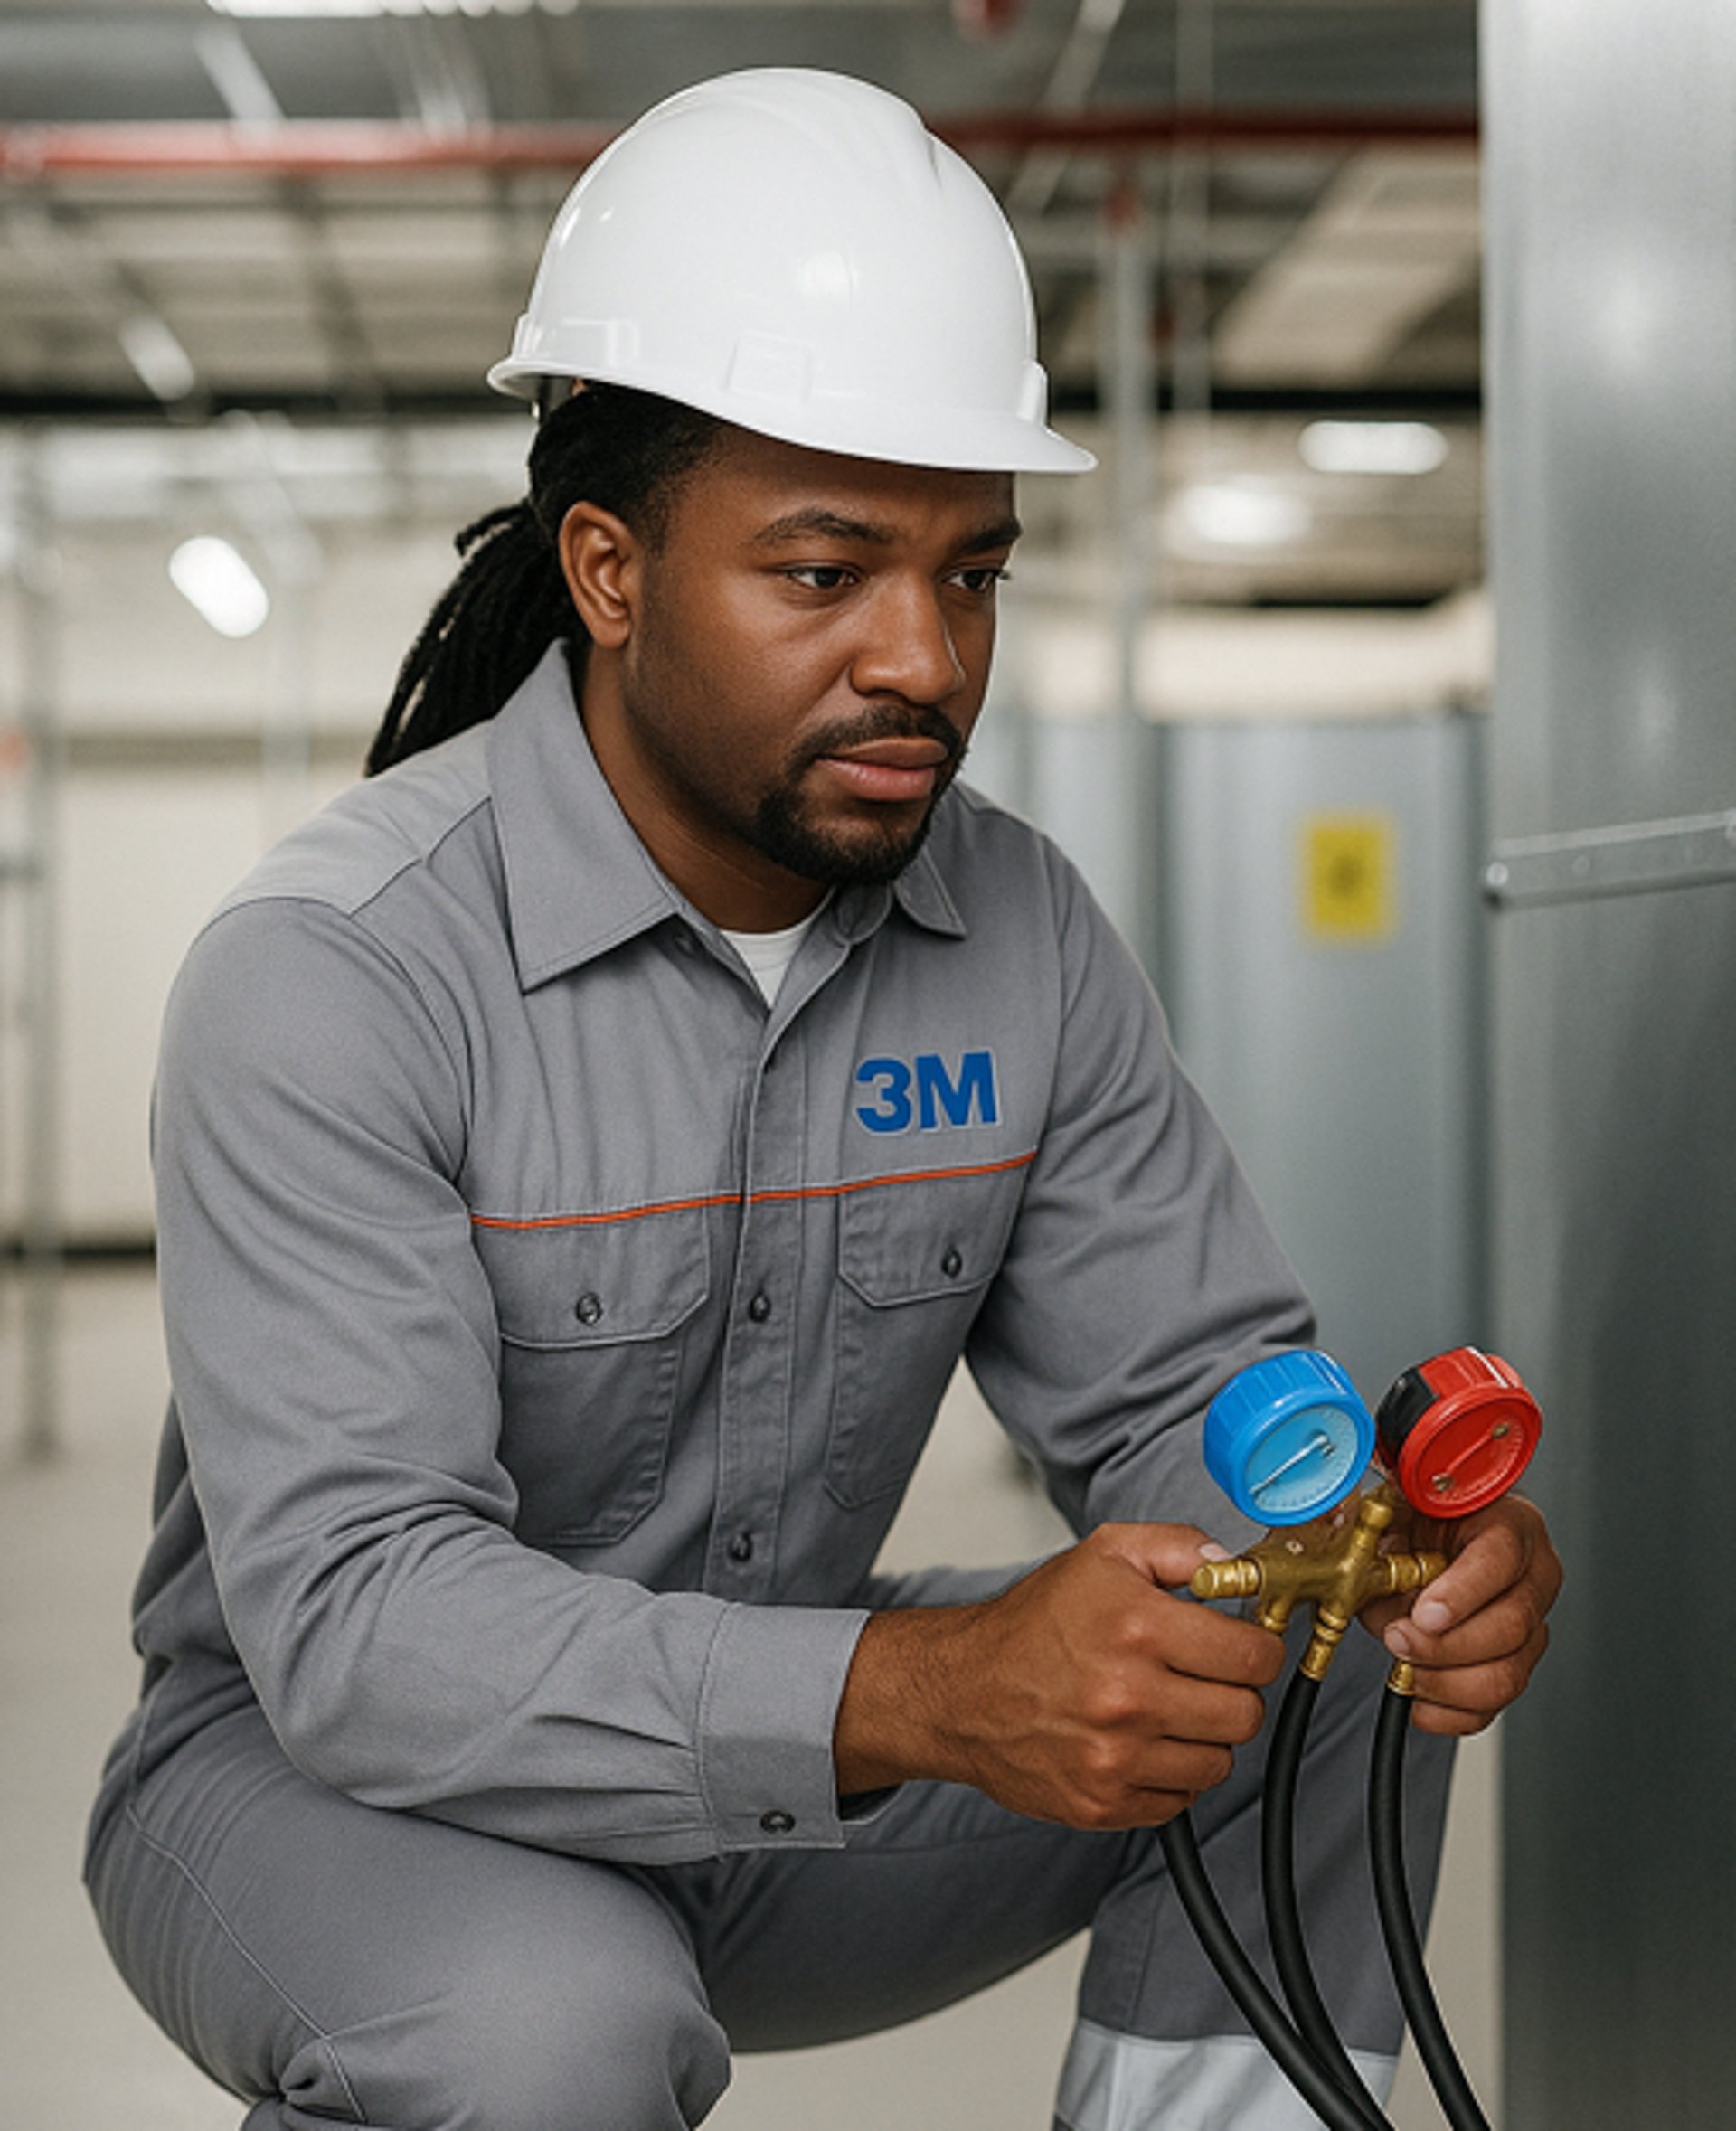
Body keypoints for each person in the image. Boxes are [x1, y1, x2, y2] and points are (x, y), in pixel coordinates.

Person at [85, 68, 1560, 2131]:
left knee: (1302, 1671)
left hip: (781, 1774)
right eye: (823, 573)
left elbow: (1188, 1407)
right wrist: (915, 1691)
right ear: (607, 570)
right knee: (547, 2034)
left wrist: (1382, 1551)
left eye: (972, 574)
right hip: (327, 1786)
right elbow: (362, 1623)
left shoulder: (1018, 932)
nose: (923, 659)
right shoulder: (341, 971)